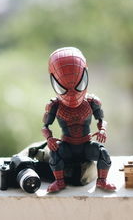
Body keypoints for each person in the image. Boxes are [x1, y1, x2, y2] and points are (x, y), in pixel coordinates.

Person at [41, 47, 116, 193]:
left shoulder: (92, 102)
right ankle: (59, 182)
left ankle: (102, 181)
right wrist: (49, 139)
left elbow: (101, 120)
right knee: (54, 155)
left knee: (104, 154)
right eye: (64, 88)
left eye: (78, 86)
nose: (72, 94)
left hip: (85, 144)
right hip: (67, 145)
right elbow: (45, 126)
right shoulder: (54, 105)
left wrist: (102, 129)